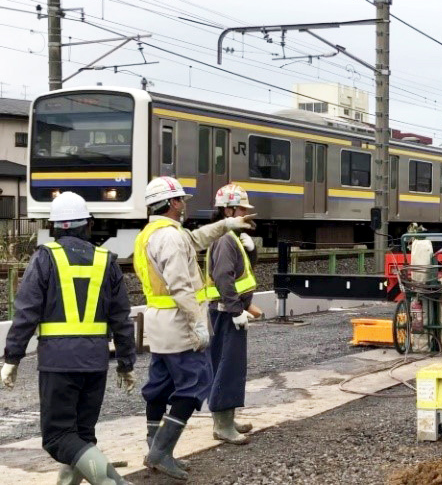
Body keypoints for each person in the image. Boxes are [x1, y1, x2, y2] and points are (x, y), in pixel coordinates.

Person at [1, 191, 136, 485]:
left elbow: (26, 312)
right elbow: (121, 318)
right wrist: (126, 362)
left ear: (53, 227)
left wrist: (12, 357)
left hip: (58, 365)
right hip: (95, 363)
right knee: (82, 435)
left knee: (58, 437)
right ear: (87, 224)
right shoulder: (106, 261)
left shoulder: (45, 259)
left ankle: (112, 482)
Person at [134, 176, 255, 481]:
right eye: (181, 201)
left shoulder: (152, 233)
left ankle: (156, 448)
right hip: (178, 323)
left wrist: (226, 226)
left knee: (159, 386)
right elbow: (180, 287)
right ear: (173, 203)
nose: (184, 205)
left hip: (159, 322)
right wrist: (198, 326)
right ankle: (160, 451)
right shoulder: (171, 238)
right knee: (194, 384)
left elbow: (197, 239)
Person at [205, 184, 261, 444]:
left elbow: (240, 271)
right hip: (226, 314)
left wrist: (251, 251)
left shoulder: (231, 237)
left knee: (231, 366)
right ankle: (222, 424)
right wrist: (236, 309)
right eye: (240, 209)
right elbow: (223, 278)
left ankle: (227, 417)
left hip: (228, 312)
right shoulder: (225, 239)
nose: (245, 215)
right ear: (227, 210)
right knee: (226, 367)